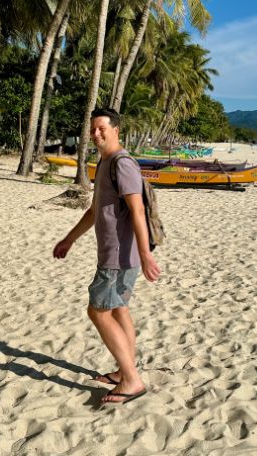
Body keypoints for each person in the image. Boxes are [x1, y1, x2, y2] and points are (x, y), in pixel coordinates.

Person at [53, 107, 161, 404]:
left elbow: (137, 209)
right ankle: (125, 369)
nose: (96, 133)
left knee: (98, 310)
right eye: (92, 129)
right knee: (118, 309)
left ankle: (130, 380)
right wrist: (69, 239)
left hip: (118, 256)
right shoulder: (104, 163)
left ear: (116, 130)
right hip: (120, 255)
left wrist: (145, 253)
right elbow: (94, 211)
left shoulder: (122, 164)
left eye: (101, 128)